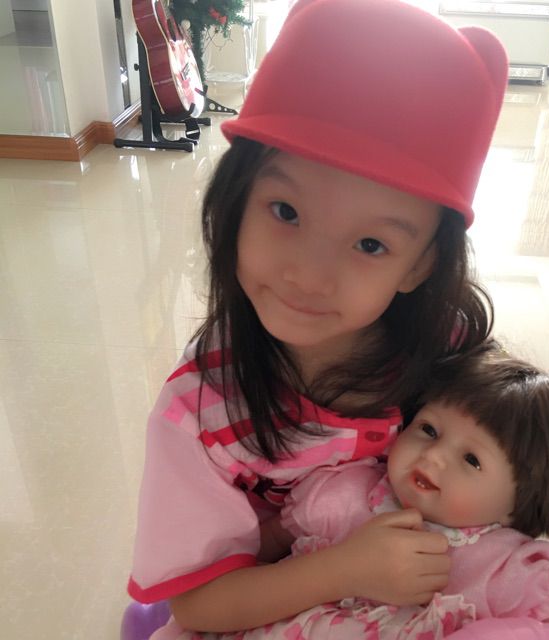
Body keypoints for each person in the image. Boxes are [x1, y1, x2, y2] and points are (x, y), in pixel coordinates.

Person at [127, 0, 509, 636]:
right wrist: (344, 570)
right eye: (286, 211)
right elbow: (196, 604)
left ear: (420, 265)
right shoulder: (198, 413)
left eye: (370, 245)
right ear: (236, 199)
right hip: (265, 606)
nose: (308, 274)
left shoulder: (448, 353)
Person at [199, 347, 549, 639]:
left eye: (472, 459)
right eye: (428, 429)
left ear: (518, 505)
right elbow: (251, 553)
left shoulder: (505, 567)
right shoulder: (342, 492)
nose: (434, 457)